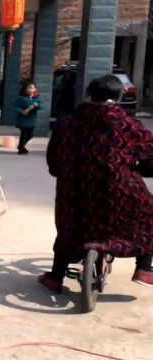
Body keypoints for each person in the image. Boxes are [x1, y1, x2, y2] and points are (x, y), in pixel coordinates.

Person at [39, 75, 153, 295]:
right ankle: (144, 268)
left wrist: (60, 172)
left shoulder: (67, 123)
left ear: (89, 95)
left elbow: (53, 158)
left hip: (74, 192)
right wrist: (138, 171)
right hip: (118, 193)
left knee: (68, 228)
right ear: (118, 97)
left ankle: (55, 278)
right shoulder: (129, 126)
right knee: (147, 214)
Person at [14, 80, 42, 155]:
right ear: (25, 89)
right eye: (28, 88)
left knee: (30, 135)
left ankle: (21, 146)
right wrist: (22, 111)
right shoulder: (21, 98)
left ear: (35, 89)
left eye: (31, 88)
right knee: (23, 134)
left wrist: (36, 106)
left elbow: (42, 106)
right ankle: (21, 148)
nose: (30, 89)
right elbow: (15, 107)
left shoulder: (37, 98)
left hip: (31, 120)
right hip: (23, 120)